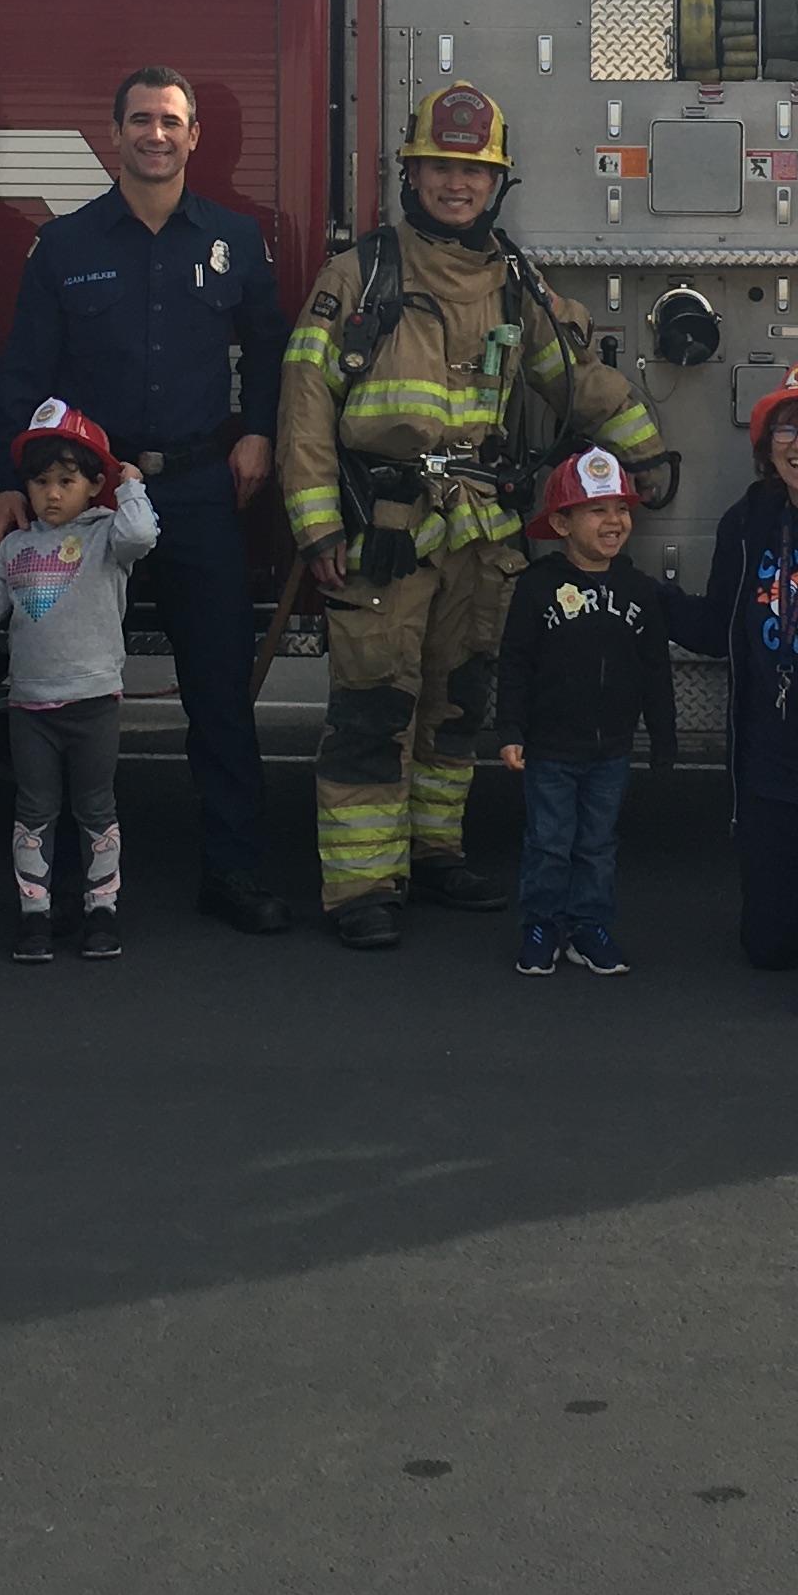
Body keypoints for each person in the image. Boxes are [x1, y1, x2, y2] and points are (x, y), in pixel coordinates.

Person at [276, 82, 665, 952]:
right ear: (411, 172)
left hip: (479, 531)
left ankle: (434, 850)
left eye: (475, 171)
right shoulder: (361, 274)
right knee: (376, 708)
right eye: (441, 166)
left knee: (457, 703)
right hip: (384, 527)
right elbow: (305, 404)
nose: (458, 184)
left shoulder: (512, 280)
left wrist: (645, 452)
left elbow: (570, 379)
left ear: (498, 184)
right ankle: (364, 886)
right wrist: (317, 528)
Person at [0, 65, 293, 936]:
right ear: (114, 133)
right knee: (64, 694)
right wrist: (12, 483)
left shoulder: (235, 240)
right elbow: (25, 373)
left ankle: (231, 874)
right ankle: (49, 885)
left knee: (219, 689)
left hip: (201, 488)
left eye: (171, 121)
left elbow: (274, 351)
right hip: (88, 504)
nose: (155, 134)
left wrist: (261, 432)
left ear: (194, 136)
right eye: (140, 120)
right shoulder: (66, 245)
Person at [0, 401, 161, 962]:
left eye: (67, 481)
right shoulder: (14, 547)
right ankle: (35, 914)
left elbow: (144, 535)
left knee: (96, 809)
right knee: (34, 811)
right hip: (30, 706)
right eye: (40, 482)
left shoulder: (110, 536)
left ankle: (100, 910)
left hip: (94, 702)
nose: (52, 493)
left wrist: (130, 485)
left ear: (94, 486)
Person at [493, 445, 682, 982]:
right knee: (549, 844)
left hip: (611, 752)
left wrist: (663, 740)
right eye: (597, 509)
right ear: (561, 522)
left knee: (597, 845)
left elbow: (655, 674)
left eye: (621, 509)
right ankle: (541, 926)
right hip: (550, 750)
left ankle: (589, 926)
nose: (614, 521)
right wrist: (511, 728)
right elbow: (516, 664)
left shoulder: (640, 592)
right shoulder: (537, 587)